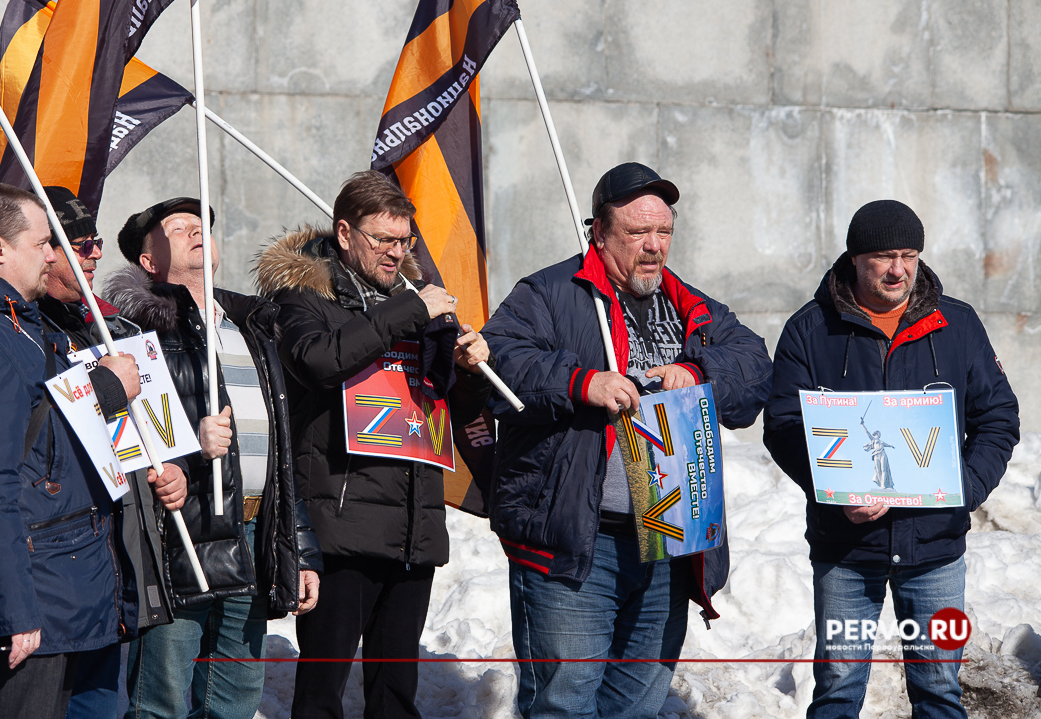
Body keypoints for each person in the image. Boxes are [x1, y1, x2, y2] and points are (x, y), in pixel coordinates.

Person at [480, 162, 772, 719]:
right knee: (563, 704)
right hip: (577, 543)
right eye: (637, 232)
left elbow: (755, 366)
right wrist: (580, 382)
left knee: (636, 705)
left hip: (668, 538)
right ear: (599, 232)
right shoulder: (548, 294)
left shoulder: (689, 305)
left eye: (663, 231)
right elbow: (499, 365)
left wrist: (700, 370)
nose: (654, 246)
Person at [763, 199, 1020, 719]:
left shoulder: (957, 324)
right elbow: (784, 426)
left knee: (940, 690)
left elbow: (997, 417)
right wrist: (834, 492)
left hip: (935, 549)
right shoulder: (810, 329)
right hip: (845, 549)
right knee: (837, 690)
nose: (898, 270)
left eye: (909, 256)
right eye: (883, 257)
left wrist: (964, 488)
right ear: (855, 259)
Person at [253, 170, 493, 719]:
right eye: (383, 239)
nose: (396, 252)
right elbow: (320, 361)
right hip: (342, 525)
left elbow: (451, 407)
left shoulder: (414, 303)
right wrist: (408, 312)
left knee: (395, 695)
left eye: (405, 240)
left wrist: (469, 369)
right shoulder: (304, 299)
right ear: (344, 233)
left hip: (412, 522)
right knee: (322, 694)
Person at [0, 183, 143, 719]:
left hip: (67, 591)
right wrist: (14, 610)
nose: (52, 255)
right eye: (42, 243)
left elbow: (46, 441)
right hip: (32, 604)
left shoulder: (20, 324)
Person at [104, 196, 323, 719]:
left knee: (234, 699)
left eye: (200, 224)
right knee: (159, 700)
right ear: (148, 261)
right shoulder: (132, 333)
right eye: (177, 228)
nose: (195, 230)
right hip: (179, 534)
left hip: (254, 533)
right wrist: (189, 447)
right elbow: (116, 434)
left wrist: (300, 549)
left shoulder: (253, 327)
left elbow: (280, 456)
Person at [37, 186, 179, 719]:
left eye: (96, 240)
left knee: (99, 704)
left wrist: (174, 471)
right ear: (44, 251)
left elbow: (155, 435)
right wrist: (103, 389)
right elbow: (36, 437)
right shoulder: (20, 329)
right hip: (51, 563)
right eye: (81, 243)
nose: (96, 252)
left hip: (110, 560)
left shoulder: (117, 328)